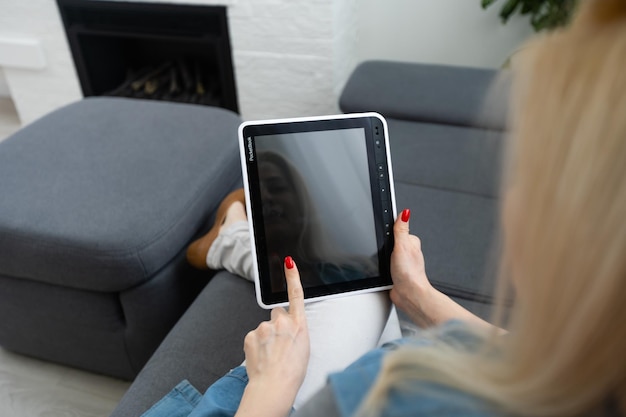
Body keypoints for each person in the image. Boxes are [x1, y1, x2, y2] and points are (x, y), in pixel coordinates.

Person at [148, 1, 626, 415]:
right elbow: (533, 358)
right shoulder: (599, 375)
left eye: (531, 173)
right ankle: (235, 237)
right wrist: (419, 294)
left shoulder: (375, 396)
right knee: (362, 275)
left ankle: (232, 239)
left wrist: (268, 395)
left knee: (337, 280)